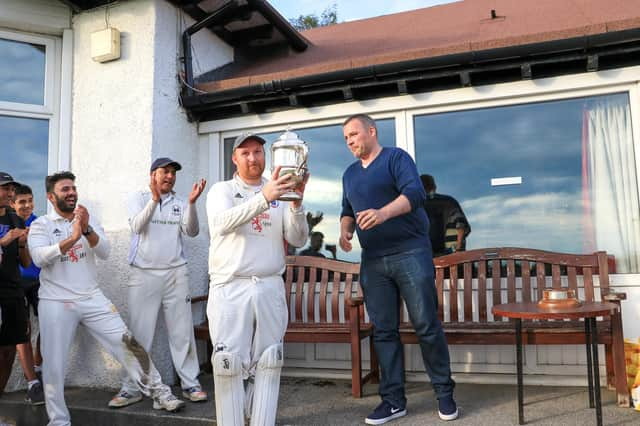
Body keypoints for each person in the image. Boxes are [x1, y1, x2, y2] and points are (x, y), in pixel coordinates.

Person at [28, 171, 185, 426]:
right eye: (65, 189)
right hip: (55, 301)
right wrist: (72, 238)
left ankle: (160, 394)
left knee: (128, 343)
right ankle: (58, 421)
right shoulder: (41, 225)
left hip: (90, 296)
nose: (71, 193)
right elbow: (39, 258)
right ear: (50, 196)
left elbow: (104, 252)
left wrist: (87, 229)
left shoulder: (87, 218)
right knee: (54, 366)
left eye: (73, 188)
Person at [339, 114, 458, 424]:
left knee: (426, 325)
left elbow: (415, 194)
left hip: (411, 253)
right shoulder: (349, 174)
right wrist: (345, 231)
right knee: (384, 332)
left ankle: (444, 394)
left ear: (372, 131)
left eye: (354, 134)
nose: (350, 141)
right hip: (373, 261)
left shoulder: (395, 158)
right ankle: (393, 402)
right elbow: (347, 210)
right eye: (346, 138)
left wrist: (382, 214)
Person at [206, 133, 308, 426]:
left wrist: (296, 205)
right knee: (228, 364)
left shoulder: (278, 191)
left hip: (269, 284)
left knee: (270, 360)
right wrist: (265, 198)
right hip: (231, 285)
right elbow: (220, 224)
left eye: (258, 152)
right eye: (245, 153)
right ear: (234, 158)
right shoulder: (222, 190)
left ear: (266, 156)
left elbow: (297, 238)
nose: (253, 158)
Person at [110, 158, 208, 408]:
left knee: (181, 330)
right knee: (139, 334)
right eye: (165, 171)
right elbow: (136, 226)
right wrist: (154, 200)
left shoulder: (179, 202)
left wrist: (192, 204)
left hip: (176, 273)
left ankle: (190, 383)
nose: (170, 176)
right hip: (144, 273)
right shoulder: (138, 198)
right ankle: (132, 387)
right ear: (153, 174)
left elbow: (192, 231)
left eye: (173, 173)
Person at [10, 183, 45, 404]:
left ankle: (38, 367)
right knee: (24, 330)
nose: (28, 205)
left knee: (49, 325)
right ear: (13, 204)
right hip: (16, 282)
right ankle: (32, 382)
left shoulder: (40, 223)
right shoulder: (8, 224)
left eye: (30, 200)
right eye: (22, 201)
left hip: (41, 281)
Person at [0, 173, 31, 397]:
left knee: (8, 351)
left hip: (12, 291)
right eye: (5, 188)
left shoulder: (16, 219)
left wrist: (22, 244)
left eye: (12, 188)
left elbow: (25, 262)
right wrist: (5, 240)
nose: (10, 193)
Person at [420, 174, 470, 257]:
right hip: (451, 258)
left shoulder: (416, 206)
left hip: (428, 258)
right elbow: (461, 226)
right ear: (434, 186)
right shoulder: (449, 202)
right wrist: (458, 250)